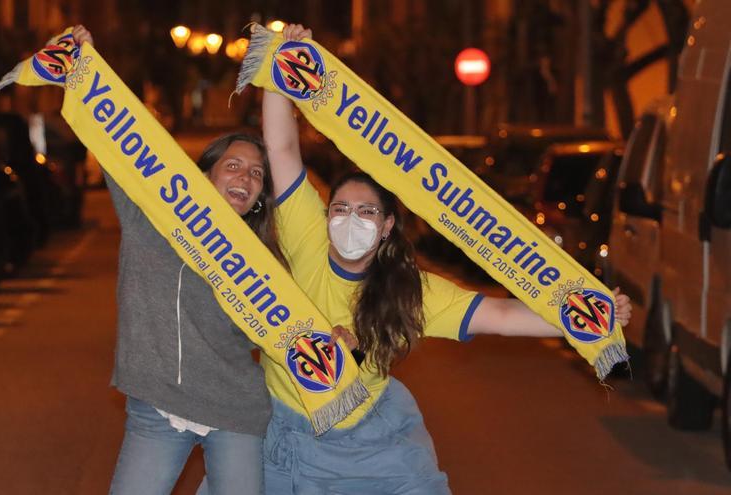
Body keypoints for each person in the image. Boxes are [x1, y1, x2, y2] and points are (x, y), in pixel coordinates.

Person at [254, 23, 633, 495]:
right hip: (278, 437)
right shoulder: (307, 238)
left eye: (367, 212)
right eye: (342, 209)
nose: (351, 220)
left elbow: (499, 316)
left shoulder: (410, 291)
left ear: (387, 226)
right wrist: (283, 64)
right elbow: (282, 149)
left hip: (366, 448)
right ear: (325, 215)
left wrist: (591, 317)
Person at [70, 26, 285, 495]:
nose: (246, 178)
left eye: (256, 174)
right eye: (233, 166)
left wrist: (339, 341)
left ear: (258, 199)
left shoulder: (261, 260)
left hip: (234, 411)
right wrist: (84, 65)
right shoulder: (148, 215)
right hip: (157, 409)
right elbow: (115, 140)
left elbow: (283, 330)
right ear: (205, 175)